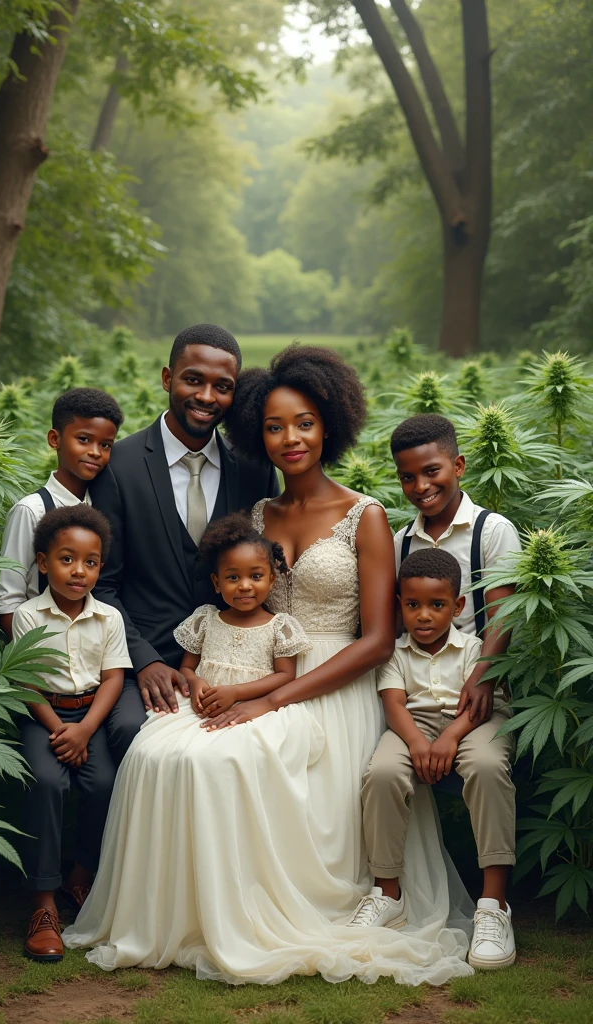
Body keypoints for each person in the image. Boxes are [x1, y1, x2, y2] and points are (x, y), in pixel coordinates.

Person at [64, 346, 474, 986]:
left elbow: (376, 639)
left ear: (329, 424)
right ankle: (182, 914)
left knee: (224, 758)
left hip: (334, 682)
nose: (291, 438)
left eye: (305, 422)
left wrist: (273, 701)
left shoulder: (363, 515)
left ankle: (260, 911)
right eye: (275, 425)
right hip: (254, 668)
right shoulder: (258, 514)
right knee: (158, 750)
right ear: (259, 431)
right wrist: (218, 682)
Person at [88, 324, 278, 750]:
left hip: (239, 667)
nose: (207, 397)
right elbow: (103, 583)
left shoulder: (255, 468)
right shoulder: (118, 466)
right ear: (167, 378)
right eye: (194, 379)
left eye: (222, 386)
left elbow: (272, 568)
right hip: (147, 660)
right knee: (128, 733)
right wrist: (145, 661)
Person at [357, 549, 516, 970]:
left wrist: (448, 737)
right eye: (412, 605)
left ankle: (493, 904)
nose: (423, 615)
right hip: (414, 724)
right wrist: (417, 743)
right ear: (399, 606)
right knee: (383, 772)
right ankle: (388, 892)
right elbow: (394, 707)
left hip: (473, 722)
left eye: (436, 605)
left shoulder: (474, 648)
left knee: (486, 767)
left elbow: (481, 706)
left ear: (458, 606)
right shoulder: (393, 653)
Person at [12, 505, 132, 964]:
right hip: (42, 717)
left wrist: (84, 730)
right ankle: (43, 905)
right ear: (43, 562)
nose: (78, 571)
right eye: (66, 559)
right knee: (46, 783)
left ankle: (80, 876)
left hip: (88, 719)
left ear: (100, 566)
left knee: (104, 783)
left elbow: (114, 678)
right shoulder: (28, 615)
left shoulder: (109, 619)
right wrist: (59, 729)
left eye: (90, 562)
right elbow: (24, 680)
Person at [390, 414, 521, 727]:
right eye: (407, 477)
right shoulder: (403, 541)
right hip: (415, 692)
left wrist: (482, 678)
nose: (421, 486)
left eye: (432, 471)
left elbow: (501, 618)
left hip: (476, 683)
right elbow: (396, 622)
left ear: (458, 466)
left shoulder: (491, 531)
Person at [0, 387, 123, 639]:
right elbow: (6, 601)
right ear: (55, 439)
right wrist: (36, 658)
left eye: (105, 444)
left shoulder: (105, 506)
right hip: (42, 651)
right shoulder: (31, 509)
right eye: (84, 439)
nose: (95, 451)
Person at [176, 513, 312, 717]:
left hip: (255, 713)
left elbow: (285, 675)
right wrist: (195, 682)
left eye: (256, 576)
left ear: (271, 580)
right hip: (200, 711)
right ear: (216, 582)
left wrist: (236, 692)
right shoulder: (205, 620)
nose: (245, 586)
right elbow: (187, 666)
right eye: (233, 577)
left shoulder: (279, 627)